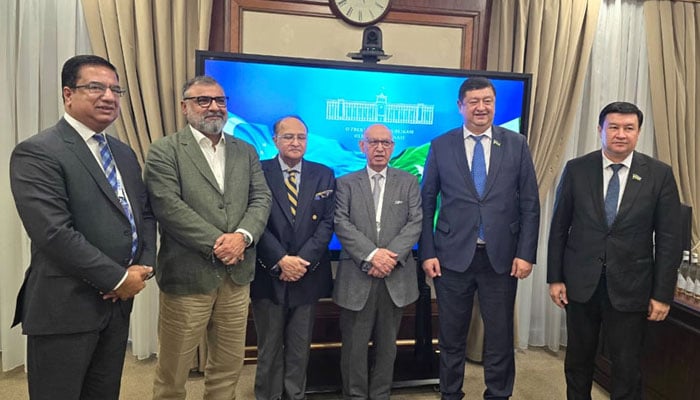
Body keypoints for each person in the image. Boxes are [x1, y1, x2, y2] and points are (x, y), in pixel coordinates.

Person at [9, 54, 156, 400]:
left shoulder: (122, 152)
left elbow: (145, 215)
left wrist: (142, 268)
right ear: (67, 94)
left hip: (117, 307)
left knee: (104, 393)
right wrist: (117, 279)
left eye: (115, 89)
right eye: (95, 87)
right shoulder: (38, 152)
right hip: (65, 307)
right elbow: (53, 233)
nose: (109, 96)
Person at [144, 76, 272, 399]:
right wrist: (221, 242)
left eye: (220, 100)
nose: (214, 106)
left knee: (228, 368)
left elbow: (262, 199)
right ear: (185, 107)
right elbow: (168, 208)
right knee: (173, 373)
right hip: (187, 277)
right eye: (203, 100)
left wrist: (242, 237)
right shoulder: (164, 151)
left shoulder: (246, 151)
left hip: (237, 279)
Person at [547, 101, 682, 399]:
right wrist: (555, 278)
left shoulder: (659, 175)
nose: (621, 134)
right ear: (600, 130)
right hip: (581, 285)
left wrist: (662, 295)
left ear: (638, 132)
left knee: (627, 366)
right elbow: (558, 229)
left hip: (632, 287)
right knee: (578, 361)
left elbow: (670, 240)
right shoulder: (577, 169)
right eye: (614, 127)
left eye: (629, 128)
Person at [419, 76, 540, 399]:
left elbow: (530, 203)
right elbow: (426, 201)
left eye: (487, 101)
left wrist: (526, 253)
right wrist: (427, 253)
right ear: (460, 107)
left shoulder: (516, 144)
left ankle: (499, 394)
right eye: (473, 102)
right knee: (451, 337)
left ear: (494, 104)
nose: (481, 107)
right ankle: (451, 394)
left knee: (499, 338)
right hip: (451, 257)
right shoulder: (441, 145)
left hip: (501, 258)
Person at [333, 124, 423, 399]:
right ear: (363, 146)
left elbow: (415, 222)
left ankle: (381, 394)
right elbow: (341, 223)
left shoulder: (408, 181)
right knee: (354, 347)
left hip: (394, 277)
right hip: (357, 275)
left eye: (386, 142)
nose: (380, 148)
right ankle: (355, 396)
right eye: (373, 142)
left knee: (388, 346)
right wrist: (373, 255)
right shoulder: (345, 183)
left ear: (393, 147)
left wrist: (388, 258)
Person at [250, 116, 336, 400]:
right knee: (269, 346)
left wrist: (302, 261)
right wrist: (281, 260)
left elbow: (327, 223)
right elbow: (253, 220)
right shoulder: (258, 172)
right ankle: (267, 395)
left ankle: (294, 395)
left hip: (308, 274)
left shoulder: (323, 174)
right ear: (275, 140)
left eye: (301, 137)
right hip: (269, 273)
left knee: (300, 347)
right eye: (288, 137)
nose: (295, 142)